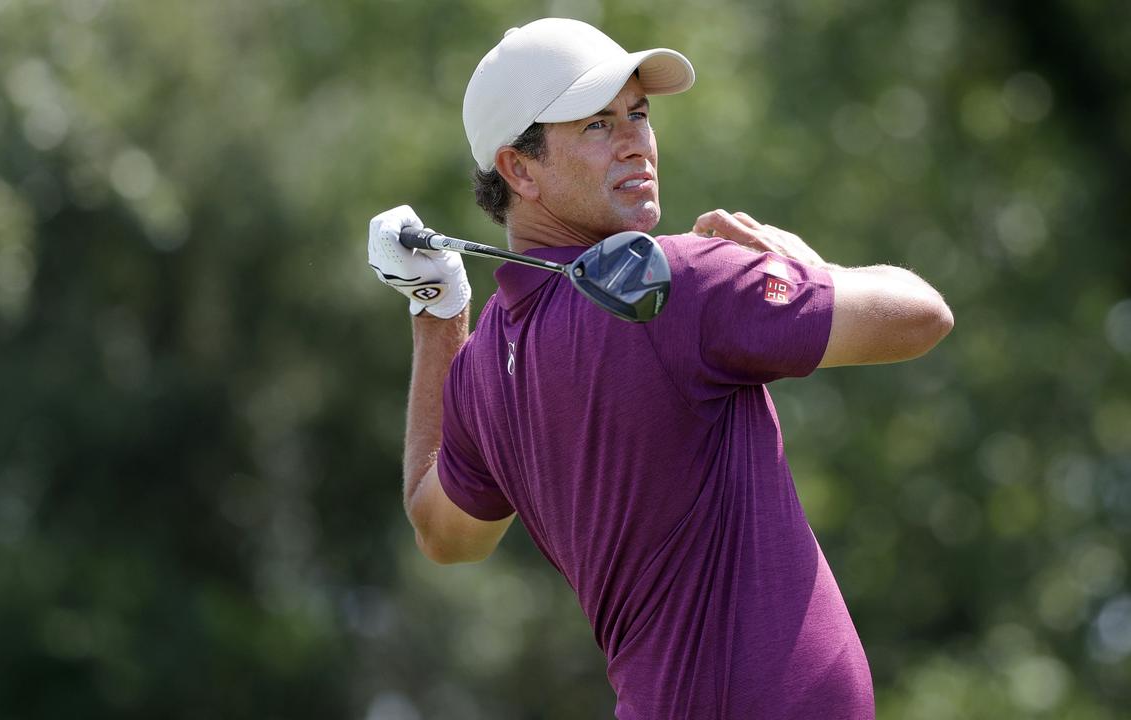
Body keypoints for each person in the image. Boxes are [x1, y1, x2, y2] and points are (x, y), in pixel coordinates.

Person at [366, 17, 953, 720]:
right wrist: (802, 263)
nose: (635, 142)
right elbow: (922, 315)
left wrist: (436, 313)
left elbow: (444, 534)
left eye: (637, 114)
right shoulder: (672, 280)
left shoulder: (484, 364)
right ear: (518, 170)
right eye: (594, 125)